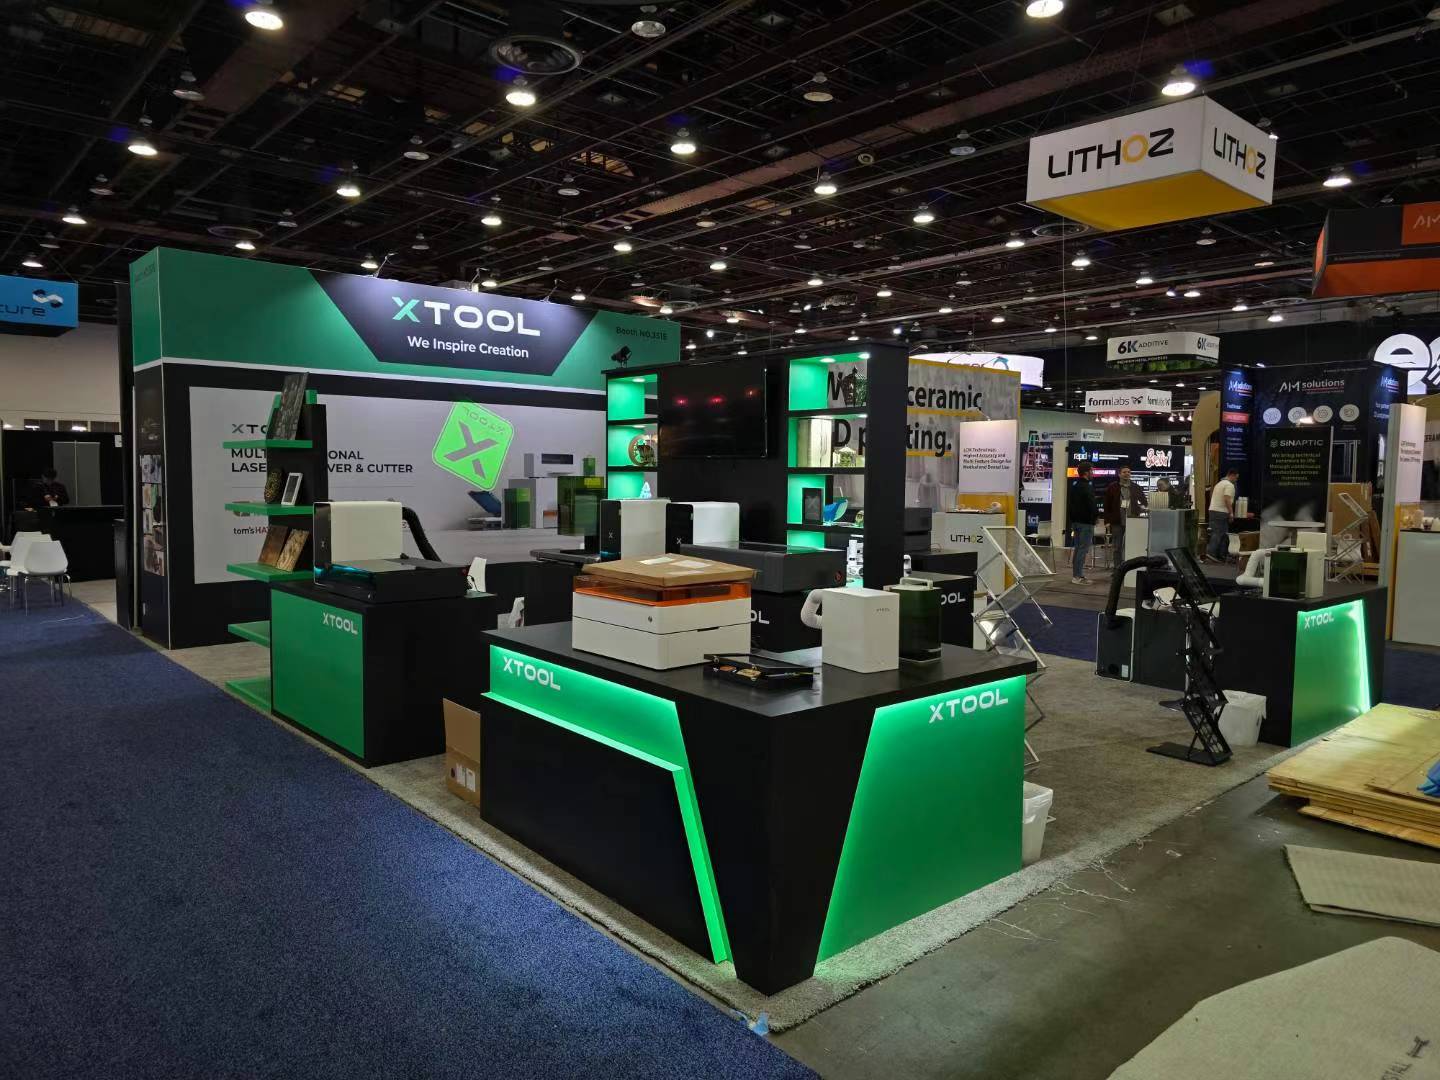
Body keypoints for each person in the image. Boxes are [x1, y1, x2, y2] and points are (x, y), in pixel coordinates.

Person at [1104, 465, 1147, 564]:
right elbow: (1107, 506)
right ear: (1119, 474)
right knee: (1117, 547)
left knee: (1131, 545)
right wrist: (1107, 521)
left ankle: (1129, 567)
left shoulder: (1136, 487)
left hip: (1133, 521)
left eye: (1128, 472)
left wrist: (1141, 508)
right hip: (1117, 522)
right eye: (1124, 472)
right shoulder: (1112, 487)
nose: (1127, 474)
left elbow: (1144, 501)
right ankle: (1117, 568)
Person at [1069, 462, 1099, 584]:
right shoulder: (1087, 486)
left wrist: (1073, 520)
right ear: (1086, 472)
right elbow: (1092, 504)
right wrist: (1096, 516)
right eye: (1091, 471)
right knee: (1083, 549)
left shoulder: (1075, 486)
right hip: (1086, 523)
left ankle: (1076, 575)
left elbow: (1070, 505)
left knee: (1078, 549)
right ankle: (1077, 577)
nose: (1093, 473)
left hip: (1076, 522)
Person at [1206, 467, 1239, 562]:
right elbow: (1227, 499)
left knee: (1222, 534)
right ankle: (1211, 554)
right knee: (1218, 533)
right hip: (1221, 512)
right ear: (1232, 475)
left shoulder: (1219, 484)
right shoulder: (1229, 485)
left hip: (1213, 511)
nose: (1236, 480)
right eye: (1236, 478)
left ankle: (1221, 555)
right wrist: (1231, 513)